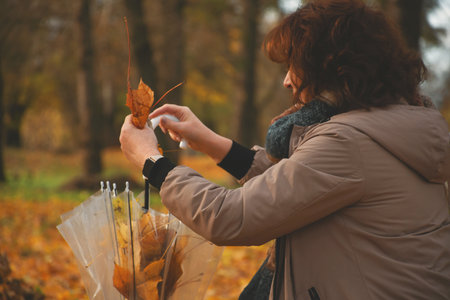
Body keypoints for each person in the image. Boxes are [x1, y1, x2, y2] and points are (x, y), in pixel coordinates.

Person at [120, 0, 450, 299]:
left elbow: (234, 217)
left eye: (294, 66)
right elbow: (301, 183)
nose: (287, 81)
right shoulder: (388, 126)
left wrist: (152, 163)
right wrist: (208, 140)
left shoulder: (350, 143)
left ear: (332, 69)